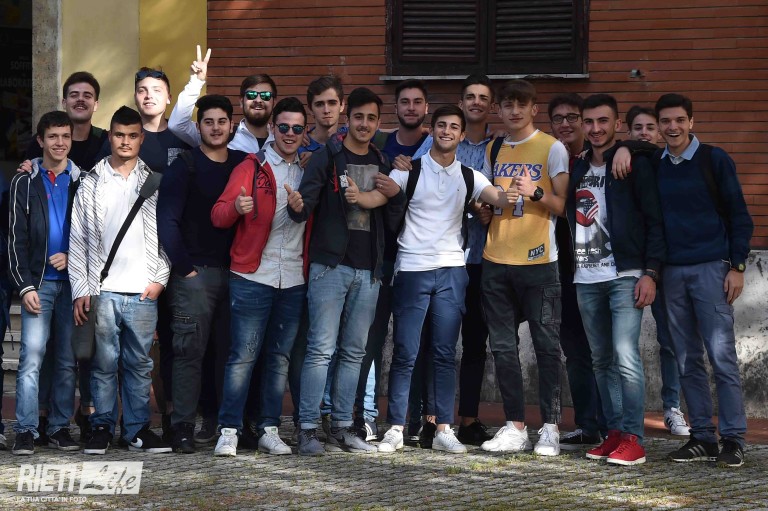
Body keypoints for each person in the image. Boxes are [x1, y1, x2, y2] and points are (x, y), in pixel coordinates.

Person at [371, 105, 517, 454]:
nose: (447, 131)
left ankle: (443, 429)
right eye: (441, 125)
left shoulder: (469, 176)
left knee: (444, 353)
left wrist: (520, 189)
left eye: (454, 126)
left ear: (461, 135)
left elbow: (499, 199)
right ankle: (396, 428)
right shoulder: (409, 170)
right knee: (405, 351)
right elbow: (377, 197)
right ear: (432, 129)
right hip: (412, 269)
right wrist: (361, 191)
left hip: (453, 270)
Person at [287, 87, 405, 456]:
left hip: (369, 271)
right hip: (330, 266)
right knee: (321, 349)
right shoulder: (328, 156)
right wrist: (295, 206)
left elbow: (393, 221)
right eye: (358, 117)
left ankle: (342, 427)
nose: (364, 124)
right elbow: (304, 206)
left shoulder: (383, 161)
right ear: (347, 118)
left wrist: (397, 195)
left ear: (378, 122)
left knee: (354, 352)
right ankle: (307, 428)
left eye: (371, 118)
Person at [651, 94, 753, 468]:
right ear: (658, 125)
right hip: (672, 273)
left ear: (691, 122)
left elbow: (739, 215)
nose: (673, 127)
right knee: (686, 358)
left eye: (680, 120)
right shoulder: (656, 165)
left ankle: (733, 438)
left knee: (721, 356)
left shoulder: (714, 159)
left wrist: (737, 267)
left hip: (712, 268)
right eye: (665, 121)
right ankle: (703, 437)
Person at [566, 94, 665, 466]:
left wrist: (651, 273)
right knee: (601, 360)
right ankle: (615, 432)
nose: (595, 129)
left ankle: (634, 438)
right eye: (589, 122)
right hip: (585, 276)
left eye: (603, 121)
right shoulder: (578, 167)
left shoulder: (633, 163)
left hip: (625, 273)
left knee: (625, 356)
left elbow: (654, 220)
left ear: (617, 124)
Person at [209, 97, 310, 457]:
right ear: (271, 128)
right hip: (252, 275)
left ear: (304, 132)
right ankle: (229, 430)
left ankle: (269, 429)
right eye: (283, 127)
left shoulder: (308, 171)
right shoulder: (251, 166)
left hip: (293, 277)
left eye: (297, 128)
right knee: (243, 356)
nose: (289, 134)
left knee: (279, 358)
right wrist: (237, 207)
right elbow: (218, 214)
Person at [400, 74, 498, 445]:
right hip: (438, 257)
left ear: (490, 105)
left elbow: (496, 196)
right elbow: (417, 182)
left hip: (482, 256)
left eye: (483, 97)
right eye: (470, 96)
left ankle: (467, 420)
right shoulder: (433, 141)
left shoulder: (498, 147)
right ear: (461, 102)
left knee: (473, 343)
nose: (476, 102)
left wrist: (486, 208)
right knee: (429, 343)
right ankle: (429, 419)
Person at [69, 106, 171, 455]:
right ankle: (101, 427)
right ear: (110, 136)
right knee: (103, 364)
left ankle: (137, 430)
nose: (125, 141)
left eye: (132, 135)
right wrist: (82, 289)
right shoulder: (91, 182)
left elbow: (168, 234)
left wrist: (160, 278)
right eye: (119, 135)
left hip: (143, 289)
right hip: (104, 290)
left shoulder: (154, 182)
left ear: (141, 139)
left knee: (139, 363)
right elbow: (78, 239)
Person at [479, 80, 569, 456]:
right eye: (507, 105)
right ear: (499, 110)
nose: (514, 111)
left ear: (534, 109)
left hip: (540, 263)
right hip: (495, 261)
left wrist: (536, 191)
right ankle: (515, 426)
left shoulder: (552, 147)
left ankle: (550, 427)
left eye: (521, 104)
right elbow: (488, 199)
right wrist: (483, 210)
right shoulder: (493, 147)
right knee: (503, 348)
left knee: (547, 347)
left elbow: (564, 205)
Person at [157, 94, 247, 453]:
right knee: (188, 353)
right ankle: (182, 426)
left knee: (227, 354)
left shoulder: (242, 164)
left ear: (231, 126)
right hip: (195, 274)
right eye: (208, 122)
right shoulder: (185, 165)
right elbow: (167, 221)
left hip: (237, 275)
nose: (215, 128)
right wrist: (185, 269)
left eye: (222, 121)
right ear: (199, 127)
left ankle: (220, 423)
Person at [9, 111, 82, 455]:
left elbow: (93, 234)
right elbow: (16, 239)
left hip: (73, 285)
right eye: (52, 136)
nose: (60, 142)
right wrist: (24, 285)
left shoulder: (83, 180)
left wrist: (71, 256)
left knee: (66, 360)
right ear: (40, 140)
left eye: (65, 136)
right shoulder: (24, 181)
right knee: (31, 359)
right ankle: (25, 429)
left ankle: (59, 427)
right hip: (38, 285)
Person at [625, 105, 690, 437]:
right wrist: (625, 149)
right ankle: (619, 416)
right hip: (626, 265)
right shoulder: (621, 163)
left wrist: (628, 146)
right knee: (620, 347)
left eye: (651, 127)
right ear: (628, 131)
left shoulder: (667, 162)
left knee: (671, 342)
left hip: (664, 265)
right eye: (638, 128)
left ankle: (672, 408)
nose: (645, 134)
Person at [547, 93, 605, 449]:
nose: (566, 124)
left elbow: (641, 147)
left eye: (573, 117)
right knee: (575, 351)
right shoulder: (547, 157)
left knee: (604, 350)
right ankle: (588, 425)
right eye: (558, 118)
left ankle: (613, 425)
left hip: (598, 266)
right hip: (559, 269)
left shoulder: (597, 159)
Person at [169, 45, 275, 153]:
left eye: (265, 95)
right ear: (241, 101)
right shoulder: (220, 134)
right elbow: (177, 125)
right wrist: (196, 81)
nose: (258, 100)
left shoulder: (282, 139)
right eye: (251, 94)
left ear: (273, 102)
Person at [24, 71, 107, 171]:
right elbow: (28, 173)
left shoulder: (106, 141)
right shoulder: (43, 140)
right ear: (64, 103)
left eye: (87, 96)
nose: (80, 99)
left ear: (96, 105)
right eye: (74, 95)